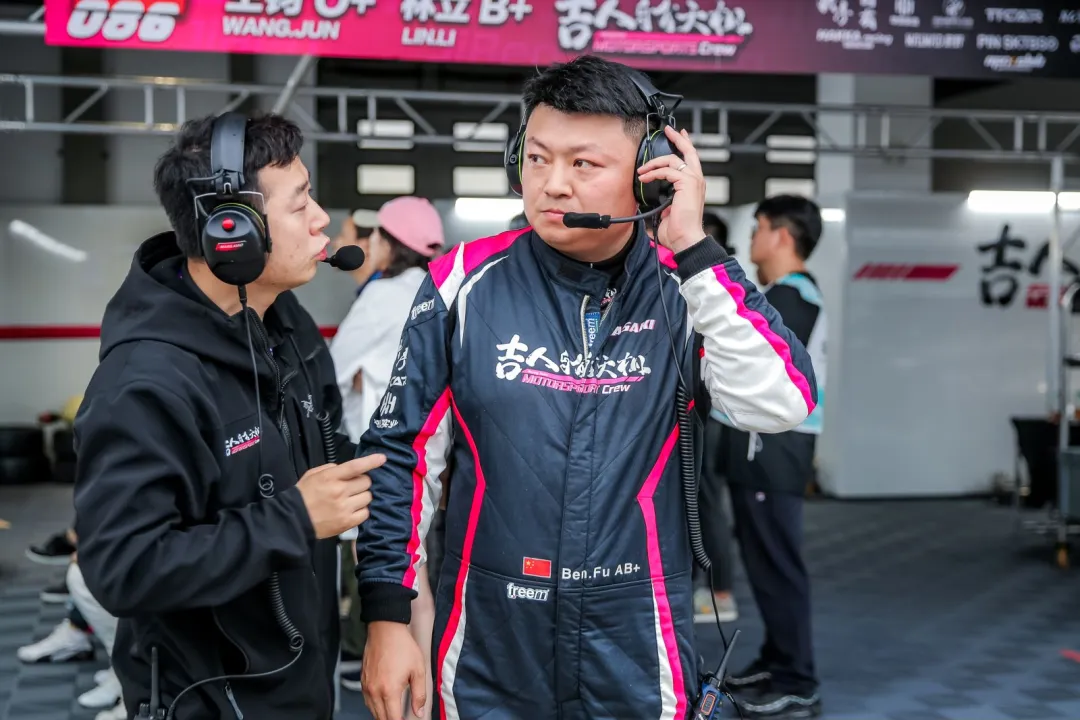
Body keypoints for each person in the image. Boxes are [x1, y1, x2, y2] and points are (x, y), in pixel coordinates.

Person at [354, 55, 817, 720]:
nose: (552, 184)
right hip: (490, 634)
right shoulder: (461, 282)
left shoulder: (687, 289)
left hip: (638, 633)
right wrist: (386, 615)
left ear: (649, 173)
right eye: (537, 158)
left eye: (584, 164)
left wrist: (693, 247)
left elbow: (780, 403)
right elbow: (401, 455)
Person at [72, 112, 384, 720]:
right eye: (300, 203)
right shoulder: (144, 383)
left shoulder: (286, 326)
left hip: (301, 685)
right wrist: (295, 518)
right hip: (210, 703)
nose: (321, 218)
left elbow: (324, 453)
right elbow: (121, 569)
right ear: (232, 229)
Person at [328, 196, 445, 713]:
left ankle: (407, 706)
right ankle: (426, 696)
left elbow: (331, 372)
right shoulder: (438, 287)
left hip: (378, 461)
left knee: (390, 580)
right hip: (431, 459)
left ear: (387, 243)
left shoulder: (381, 296)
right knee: (419, 577)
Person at [718, 194, 826, 718]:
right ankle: (777, 659)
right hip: (760, 448)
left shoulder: (794, 297)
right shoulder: (783, 295)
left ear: (782, 235)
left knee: (778, 564)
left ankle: (798, 680)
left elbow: (761, 365)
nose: (752, 240)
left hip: (777, 449)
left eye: (758, 228)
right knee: (764, 562)